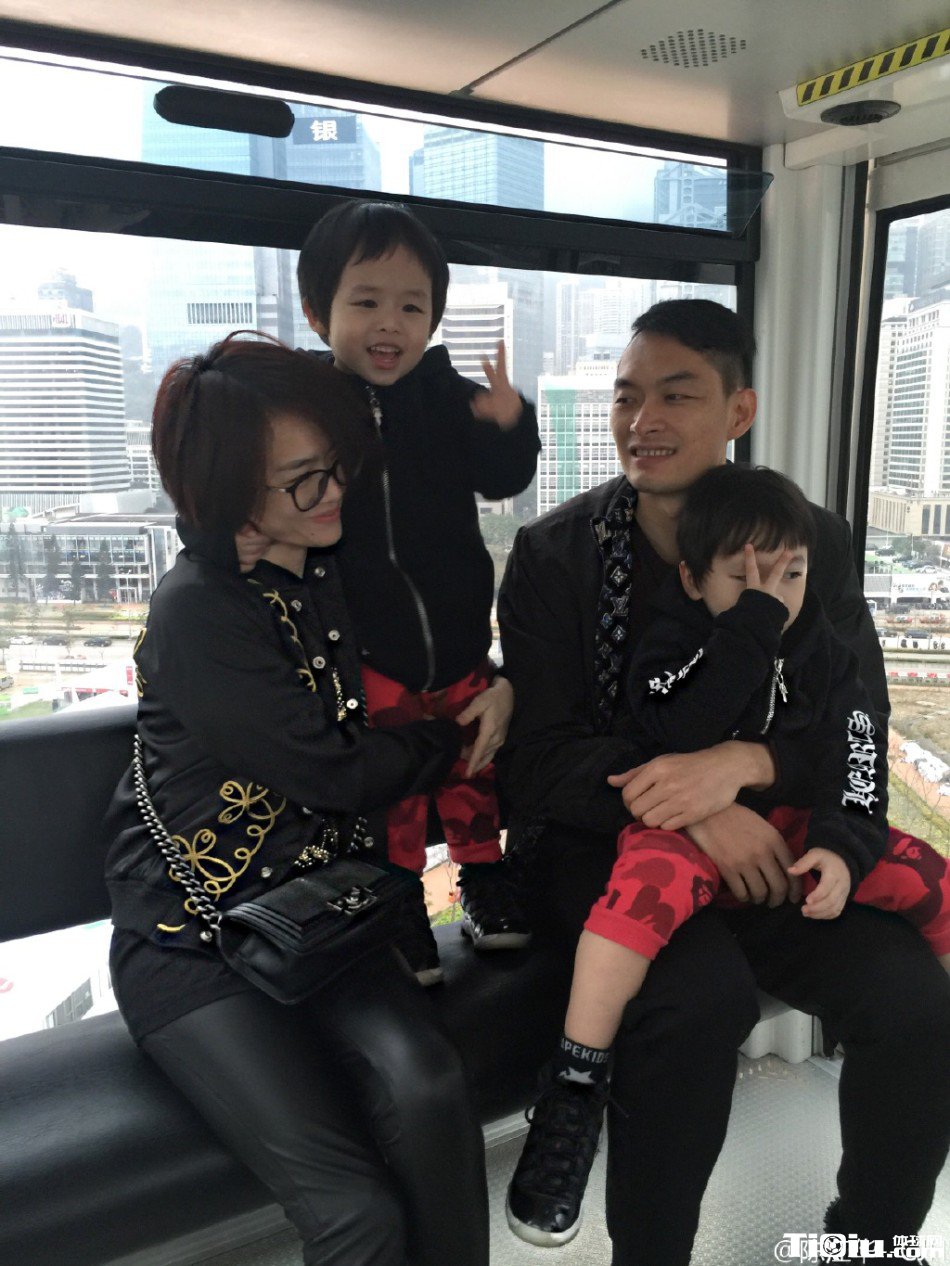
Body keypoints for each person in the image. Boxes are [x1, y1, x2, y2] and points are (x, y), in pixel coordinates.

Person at [497, 299, 950, 1264]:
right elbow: (536, 765)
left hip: (782, 840)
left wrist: (750, 768)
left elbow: (856, 721)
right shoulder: (555, 556)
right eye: (626, 396)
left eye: (677, 395)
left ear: (739, 410)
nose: (642, 420)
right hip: (606, 848)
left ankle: (869, 1248)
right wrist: (693, 809)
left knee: (913, 998)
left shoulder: (808, 543)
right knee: (695, 1001)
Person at [105, 333, 492, 1266]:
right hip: (192, 942)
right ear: (229, 491)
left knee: (431, 1085)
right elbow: (332, 771)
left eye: (335, 467)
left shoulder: (321, 562)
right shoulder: (198, 610)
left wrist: (497, 685)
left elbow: (436, 603)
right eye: (301, 481)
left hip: (317, 913)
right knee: (357, 1211)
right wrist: (458, 741)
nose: (332, 494)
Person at [295, 199, 539, 981]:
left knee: (474, 764)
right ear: (317, 312)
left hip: (461, 642)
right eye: (365, 302)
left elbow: (503, 480)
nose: (389, 324)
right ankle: (399, 899)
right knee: (394, 785)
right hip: (370, 649)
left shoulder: (448, 396)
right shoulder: (307, 410)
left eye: (411, 306)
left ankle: (483, 877)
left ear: (433, 317)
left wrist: (508, 423)